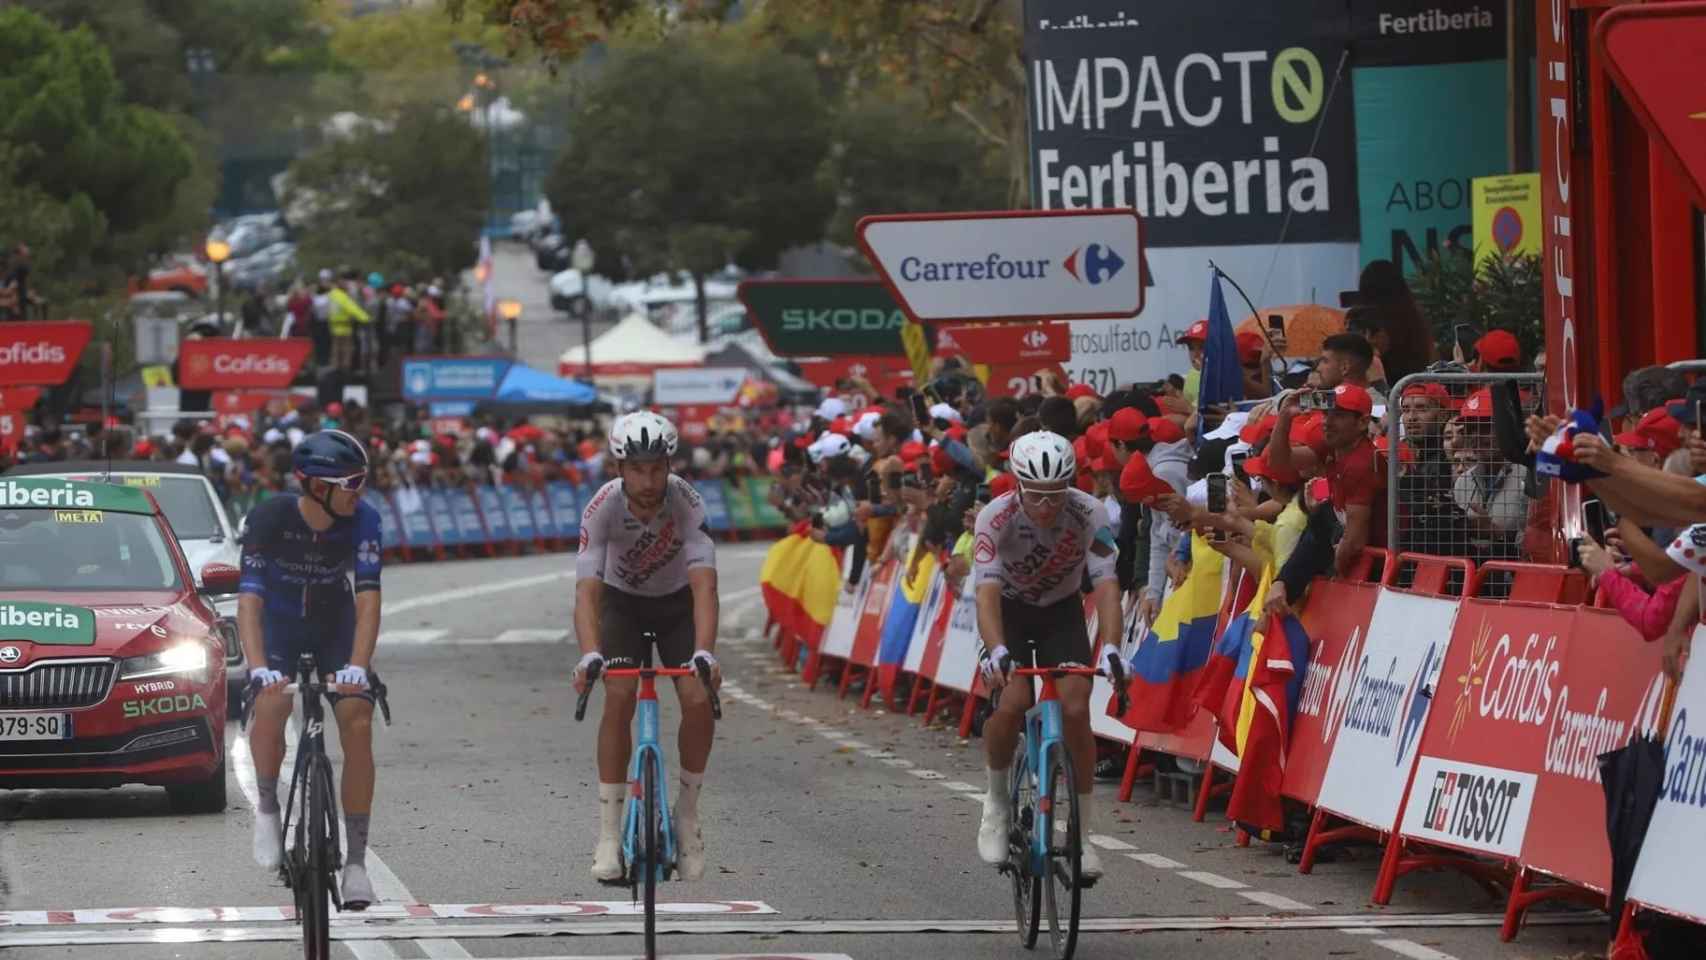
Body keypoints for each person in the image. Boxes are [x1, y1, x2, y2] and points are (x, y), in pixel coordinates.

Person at [571, 411, 722, 882]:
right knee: (618, 696)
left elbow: (704, 588)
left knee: (697, 697)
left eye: (658, 467)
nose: (649, 479)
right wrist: (589, 652)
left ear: (669, 465)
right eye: (637, 469)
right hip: (623, 605)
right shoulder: (602, 508)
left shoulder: (687, 503)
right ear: (618, 469)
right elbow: (587, 593)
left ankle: (688, 814)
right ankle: (609, 833)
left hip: (677, 604)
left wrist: (705, 652)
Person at [239, 430, 385, 909]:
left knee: (357, 719)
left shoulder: (363, 519)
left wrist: (359, 668)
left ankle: (357, 863)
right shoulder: (269, 518)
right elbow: (249, 601)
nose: (359, 490)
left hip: (333, 628)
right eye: (352, 481)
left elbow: (367, 599)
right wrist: (258, 668)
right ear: (318, 485)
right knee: (273, 700)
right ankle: (266, 807)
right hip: (279, 627)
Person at [972, 430, 1124, 881]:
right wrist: (998, 649)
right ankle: (997, 804)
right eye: (1036, 495)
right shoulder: (994, 518)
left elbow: (1107, 586)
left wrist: (1112, 646)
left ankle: (1082, 839)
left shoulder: (1089, 513)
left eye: (1055, 494)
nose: (1046, 505)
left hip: (1062, 613)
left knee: (1077, 707)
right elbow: (986, 595)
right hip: (1009, 614)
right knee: (1014, 702)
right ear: (1018, 485)